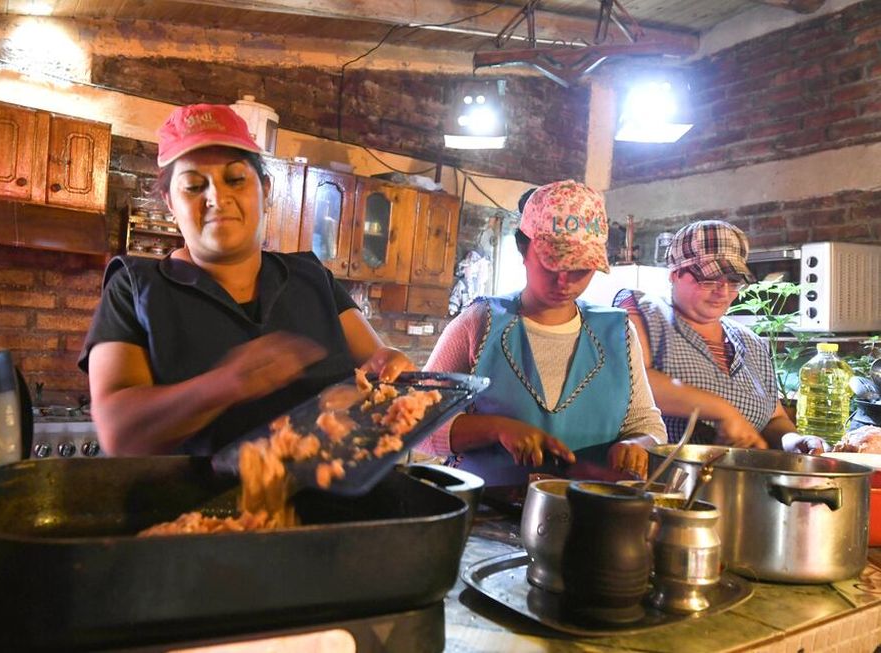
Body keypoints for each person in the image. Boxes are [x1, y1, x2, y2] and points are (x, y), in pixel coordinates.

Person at [79, 103, 413, 456]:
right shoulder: (133, 288)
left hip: (334, 504)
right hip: (195, 510)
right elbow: (119, 434)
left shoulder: (312, 277)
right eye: (193, 186)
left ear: (266, 190)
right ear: (169, 202)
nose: (216, 198)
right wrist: (223, 386)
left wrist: (390, 365)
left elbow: (380, 369)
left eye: (235, 179)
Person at [419, 180, 667, 485]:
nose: (564, 281)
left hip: (591, 513)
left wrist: (637, 445)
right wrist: (497, 428)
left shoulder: (618, 332)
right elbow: (418, 423)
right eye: (552, 264)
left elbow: (647, 424)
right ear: (524, 250)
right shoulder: (479, 323)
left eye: (580, 269)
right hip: (486, 513)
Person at [615, 220, 819, 452]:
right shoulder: (643, 309)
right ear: (674, 274)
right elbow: (635, 381)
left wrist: (794, 441)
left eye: (733, 281)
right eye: (709, 279)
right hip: (667, 475)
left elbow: (774, 419)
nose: (722, 291)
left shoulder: (751, 342)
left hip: (739, 481)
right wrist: (723, 411)